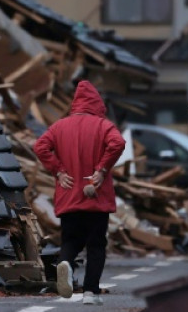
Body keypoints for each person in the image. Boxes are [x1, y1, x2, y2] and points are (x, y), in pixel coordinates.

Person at [34, 80, 125, 306]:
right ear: (97, 103)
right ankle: (90, 292)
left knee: (71, 240)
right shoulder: (104, 126)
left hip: (69, 195)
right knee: (96, 244)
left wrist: (58, 171)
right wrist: (102, 170)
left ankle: (65, 262)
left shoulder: (59, 126)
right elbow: (118, 143)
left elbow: (40, 146)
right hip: (96, 197)